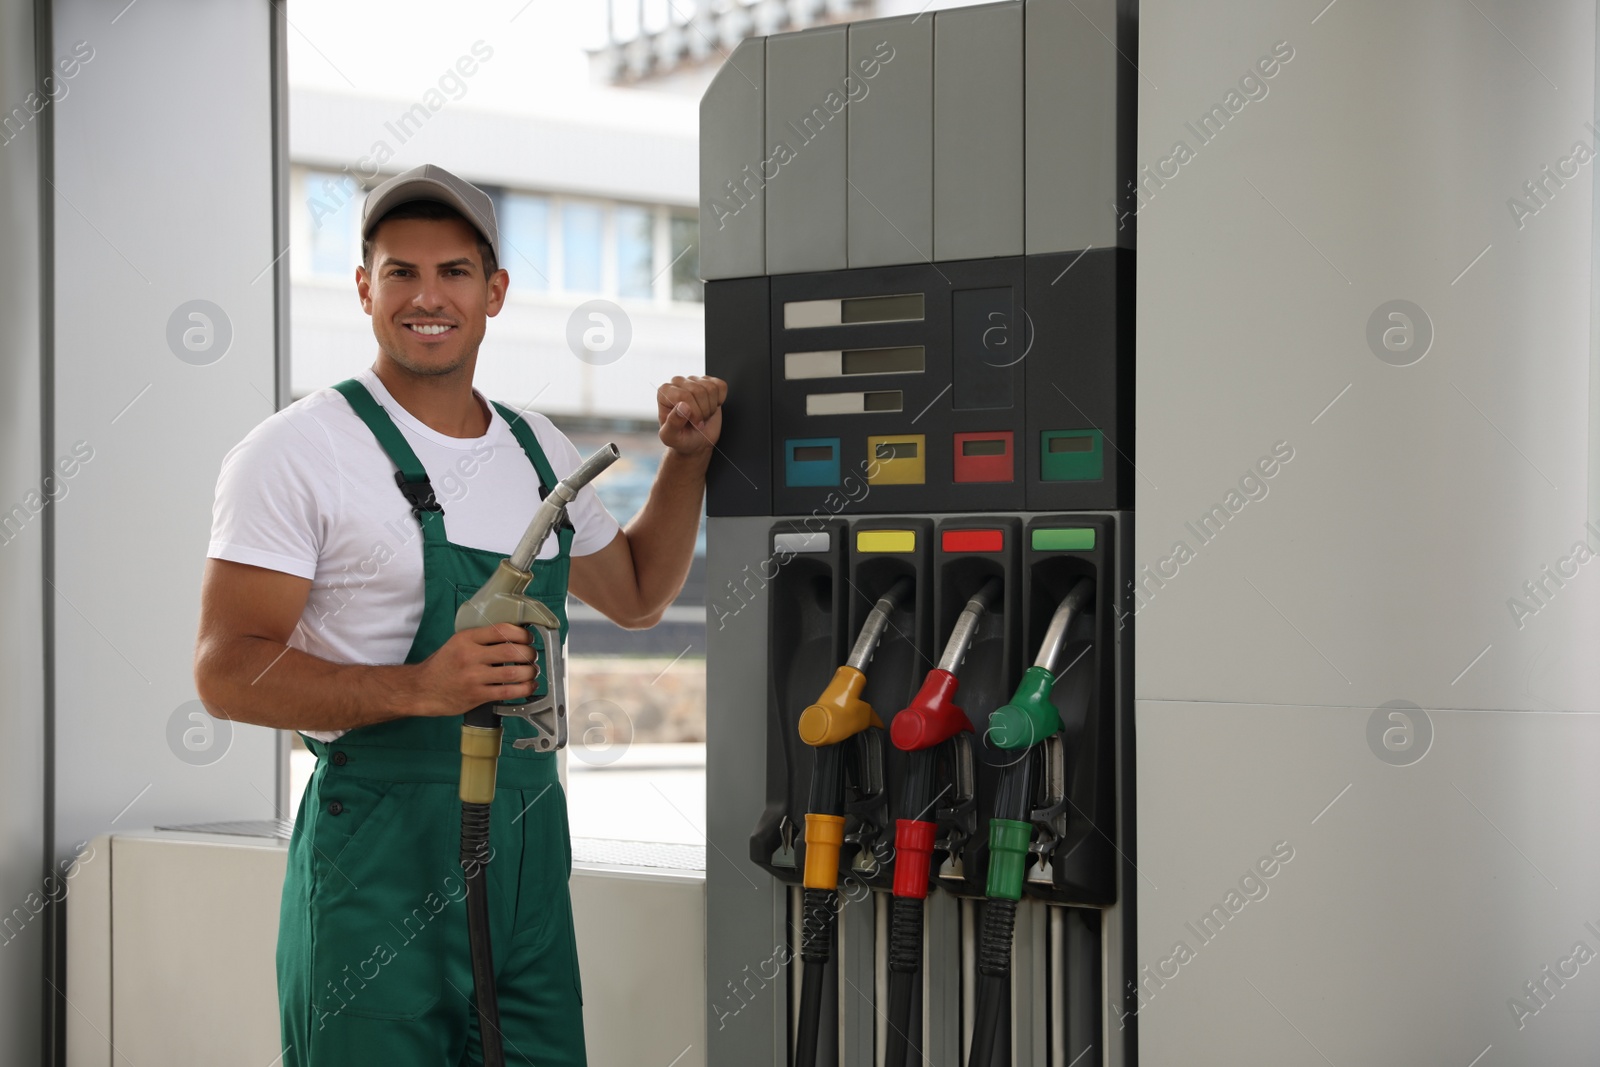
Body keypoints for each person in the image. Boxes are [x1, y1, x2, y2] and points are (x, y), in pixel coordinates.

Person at [193, 163, 725, 1066]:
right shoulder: (296, 451)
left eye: (453, 272)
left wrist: (685, 462)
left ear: (495, 292)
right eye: (400, 271)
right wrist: (419, 687)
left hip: (527, 847)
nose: (426, 296)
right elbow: (226, 670)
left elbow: (636, 594)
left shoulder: (537, 446)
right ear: (364, 287)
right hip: (378, 861)